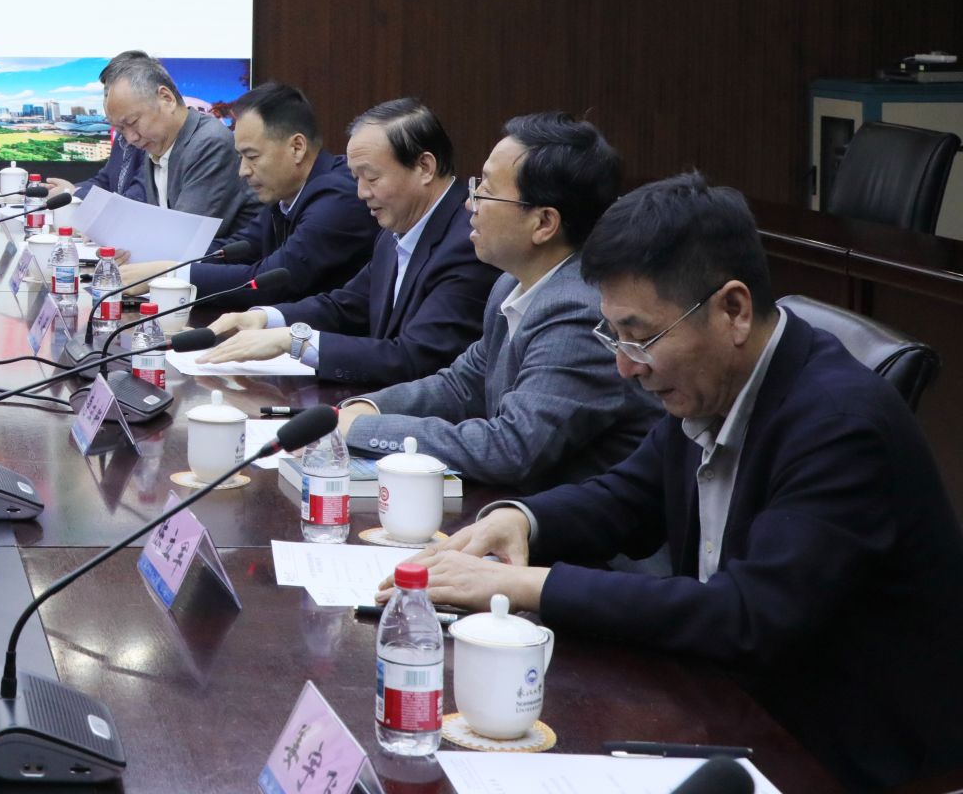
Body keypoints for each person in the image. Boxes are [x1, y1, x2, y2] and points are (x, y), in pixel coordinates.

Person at [395, 173, 963, 791]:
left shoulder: (840, 424)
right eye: (613, 335)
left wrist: (530, 584)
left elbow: (748, 615)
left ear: (733, 310)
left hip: (842, 754)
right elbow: (627, 497)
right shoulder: (714, 385)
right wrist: (520, 521)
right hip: (729, 707)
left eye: (641, 337)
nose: (624, 365)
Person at [334, 112, 658, 487]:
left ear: (544, 223)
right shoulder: (510, 285)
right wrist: (370, 407)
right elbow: (461, 386)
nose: (469, 205)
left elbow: (510, 448)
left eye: (485, 191)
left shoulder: (578, 312)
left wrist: (363, 429)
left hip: (574, 520)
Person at [203, 97, 494, 386]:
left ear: (425, 167)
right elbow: (346, 306)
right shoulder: (397, 229)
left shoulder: (469, 242)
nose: (361, 193)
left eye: (372, 178)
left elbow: (415, 358)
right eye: (356, 178)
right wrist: (266, 318)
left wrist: (295, 342)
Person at [127, 81, 374, 304]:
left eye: (252, 156)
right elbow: (236, 249)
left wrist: (170, 274)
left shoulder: (339, 198)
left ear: (297, 147)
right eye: (241, 157)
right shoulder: (287, 195)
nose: (243, 171)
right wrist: (151, 259)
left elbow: (269, 281)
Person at [45, 52, 255, 240]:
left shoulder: (209, 142)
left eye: (133, 122)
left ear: (166, 98)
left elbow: (181, 238)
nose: (130, 139)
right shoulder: (157, 145)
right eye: (121, 129)